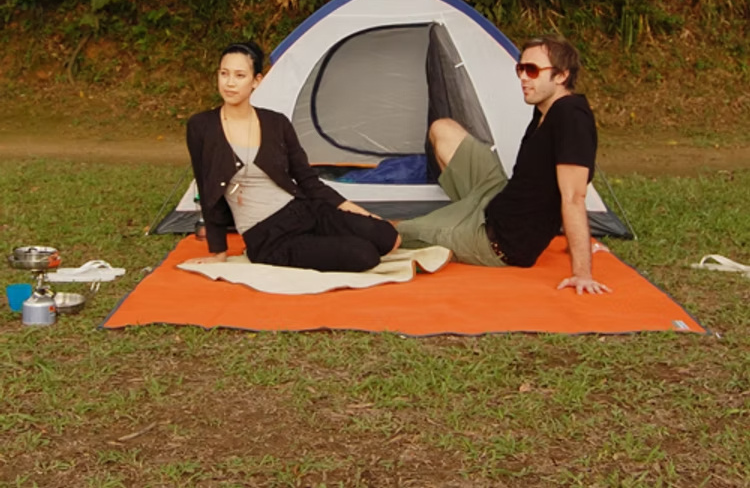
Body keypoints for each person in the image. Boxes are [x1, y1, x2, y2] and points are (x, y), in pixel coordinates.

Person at [398, 34, 612, 295]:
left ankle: (459, 226)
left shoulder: (571, 118)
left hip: (496, 240)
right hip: (498, 196)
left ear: (561, 76)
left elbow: (574, 196)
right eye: (520, 69)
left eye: (532, 70)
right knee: (442, 129)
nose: (523, 77)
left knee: (397, 233)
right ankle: (462, 212)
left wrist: (582, 273)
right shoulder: (546, 109)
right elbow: (549, 185)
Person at [184, 41, 400, 272]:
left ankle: (329, 240)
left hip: (303, 210)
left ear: (256, 81)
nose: (229, 83)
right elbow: (207, 191)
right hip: (268, 235)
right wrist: (219, 252)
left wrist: (360, 212)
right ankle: (323, 246)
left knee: (387, 236)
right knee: (364, 255)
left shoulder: (276, 123)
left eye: (239, 75)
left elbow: (307, 179)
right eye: (224, 73)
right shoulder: (202, 127)